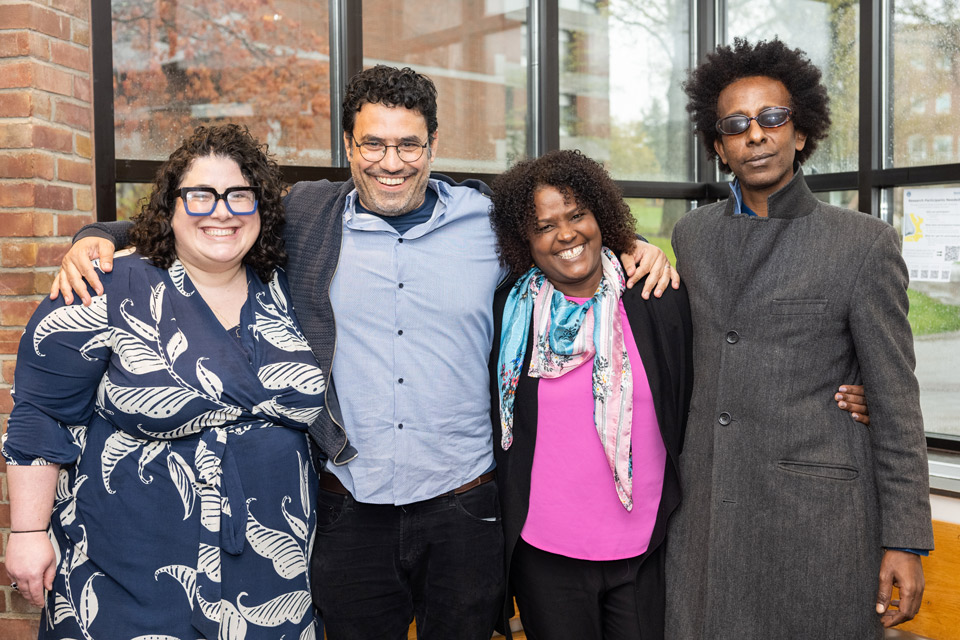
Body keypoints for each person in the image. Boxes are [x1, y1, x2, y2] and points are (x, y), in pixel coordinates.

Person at [49, 66, 676, 640]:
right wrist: (97, 237)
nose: (391, 163)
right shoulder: (307, 216)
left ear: (433, 145)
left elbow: (568, 234)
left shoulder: (486, 218)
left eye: (409, 145)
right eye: (373, 144)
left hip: (465, 504)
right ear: (349, 146)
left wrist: (633, 243)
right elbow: (208, 218)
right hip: (350, 504)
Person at [3, 125, 324, 638]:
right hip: (130, 567)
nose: (222, 212)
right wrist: (26, 531)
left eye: (240, 196)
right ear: (169, 207)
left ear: (260, 209)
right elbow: (43, 412)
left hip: (273, 574)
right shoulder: (105, 285)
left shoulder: (284, 286)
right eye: (201, 196)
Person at [665, 38, 934, 639]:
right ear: (719, 146)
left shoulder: (862, 244)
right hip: (707, 515)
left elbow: (895, 402)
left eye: (772, 117)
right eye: (736, 125)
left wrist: (905, 540)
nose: (755, 135)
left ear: (802, 131)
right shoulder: (691, 237)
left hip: (817, 526)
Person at [487, 150, 693, 640]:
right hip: (546, 555)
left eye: (577, 214)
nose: (566, 234)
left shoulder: (656, 298)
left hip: (646, 546)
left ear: (601, 215)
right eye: (545, 225)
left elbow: (710, 387)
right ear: (525, 240)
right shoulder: (508, 312)